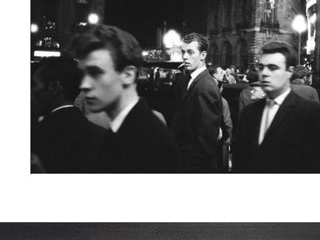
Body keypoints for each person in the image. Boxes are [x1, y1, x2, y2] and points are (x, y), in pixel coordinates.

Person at [69, 25, 180, 173]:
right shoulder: (128, 129)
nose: (84, 85)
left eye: (95, 73)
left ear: (128, 75)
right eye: (83, 74)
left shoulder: (149, 142)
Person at [233, 41, 320, 173]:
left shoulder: (312, 114)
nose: (264, 73)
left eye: (273, 67)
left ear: (289, 72)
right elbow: (240, 162)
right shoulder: (249, 113)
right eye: (261, 67)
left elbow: (319, 168)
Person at [31, 56, 106, 173]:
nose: (31, 91)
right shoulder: (102, 137)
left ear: (54, 87)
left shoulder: (36, 135)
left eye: (34, 84)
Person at [171, 33, 223, 172]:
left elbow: (206, 142)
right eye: (183, 52)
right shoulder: (187, 80)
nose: (185, 56)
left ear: (203, 55)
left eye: (190, 52)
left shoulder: (206, 87)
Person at [208, 65, 233, 172]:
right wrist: (229, 137)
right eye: (220, 72)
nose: (223, 74)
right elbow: (227, 122)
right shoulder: (222, 101)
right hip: (217, 140)